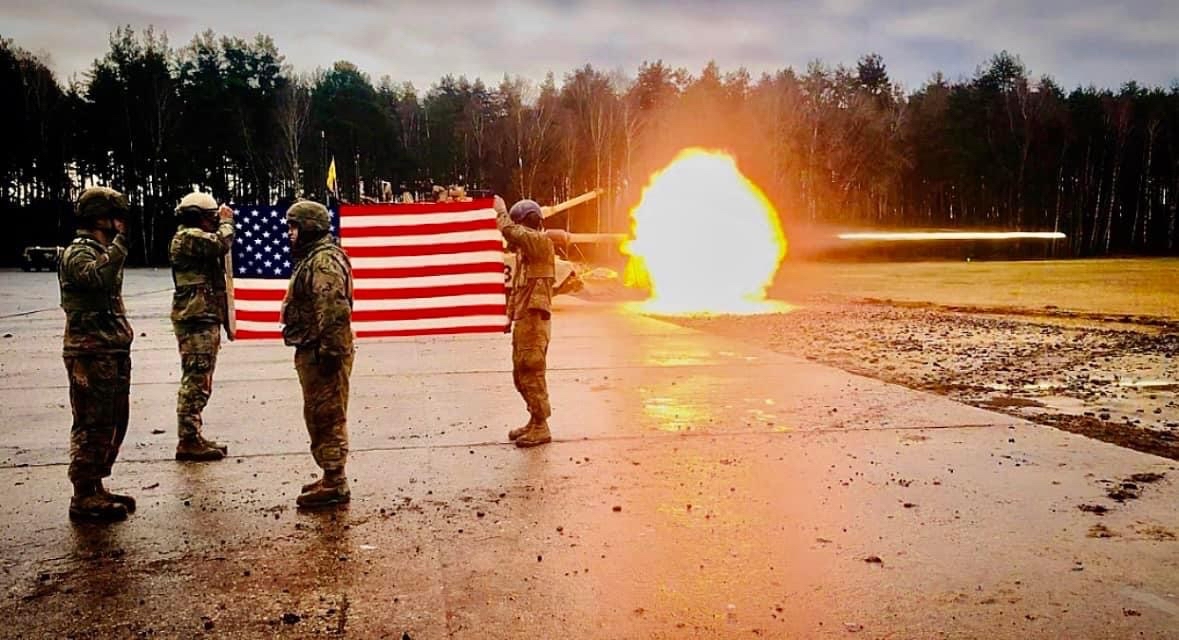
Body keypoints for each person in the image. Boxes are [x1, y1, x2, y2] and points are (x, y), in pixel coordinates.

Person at [58, 186, 135, 522]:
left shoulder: (100, 250)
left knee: (114, 420)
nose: (121, 223)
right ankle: (83, 494)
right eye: (116, 216)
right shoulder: (79, 252)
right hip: (90, 352)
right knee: (93, 421)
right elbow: (97, 279)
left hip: (110, 347)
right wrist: (119, 246)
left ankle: (96, 485)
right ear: (101, 218)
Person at [281, 200, 355, 507]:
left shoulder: (323, 261)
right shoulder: (314, 257)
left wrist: (330, 352)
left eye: (294, 227)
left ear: (310, 227)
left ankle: (336, 482)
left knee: (327, 414)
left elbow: (333, 310)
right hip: (314, 347)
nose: (290, 234)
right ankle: (329, 474)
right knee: (318, 413)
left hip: (322, 350)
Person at [494, 196, 568, 448]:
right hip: (524, 318)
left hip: (536, 319)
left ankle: (541, 425)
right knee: (520, 373)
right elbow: (518, 288)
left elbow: (510, 231)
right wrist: (509, 315)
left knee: (532, 370)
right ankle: (533, 417)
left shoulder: (540, 243)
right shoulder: (526, 254)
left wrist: (500, 211)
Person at [169, 192, 235, 461]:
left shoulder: (192, 237)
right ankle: (187, 439)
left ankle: (193, 435)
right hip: (195, 317)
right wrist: (227, 222)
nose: (214, 222)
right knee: (196, 379)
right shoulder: (188, 238)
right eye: (210, 218)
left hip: (203, 314)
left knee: (201, 378)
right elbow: (220, 243)